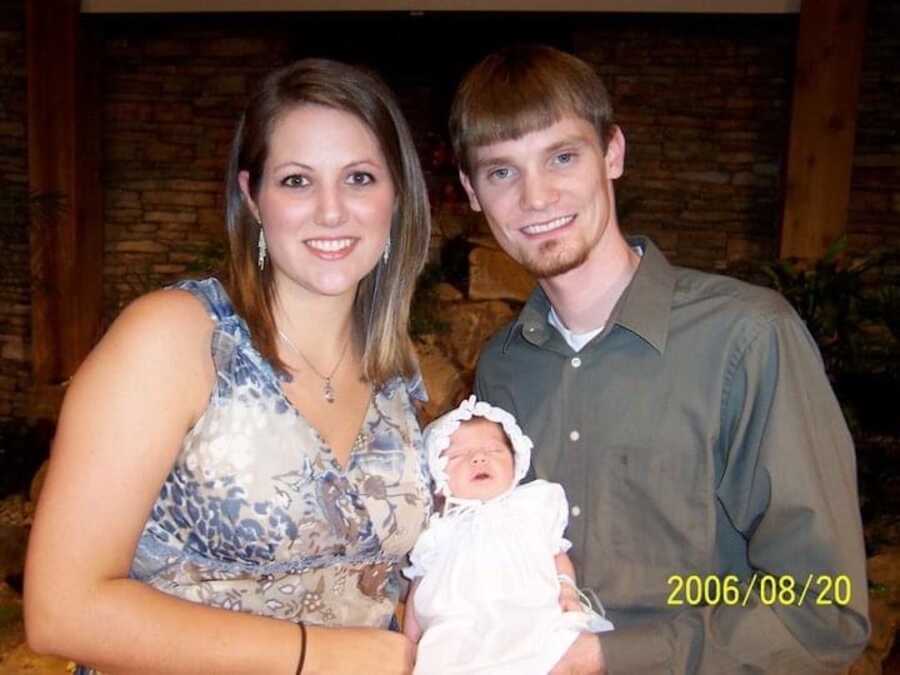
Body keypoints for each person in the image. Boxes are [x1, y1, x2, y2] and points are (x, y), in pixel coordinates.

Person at [450, 45, 870, 673]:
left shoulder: (748, 338)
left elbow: (824, 607)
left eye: (562, 157)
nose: (535, 198)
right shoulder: (501, 369)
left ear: (612, 153)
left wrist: (606, 657)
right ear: (471, 192)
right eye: (501, 172)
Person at [25, 58, 432, 675]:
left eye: (359, 178)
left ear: (396, 194)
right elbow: (61, 611)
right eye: (297, 181)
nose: (331, 210)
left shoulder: (399, 372)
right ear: (252, 196)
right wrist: (319, 656)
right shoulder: (175, 338)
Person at [403, 395, 613, 675]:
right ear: (438, 480)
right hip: (461, 634)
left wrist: (566, 589)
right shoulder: (439, 531)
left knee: (563, 651)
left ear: (517, 461)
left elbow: (557, 554)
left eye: (494, 450)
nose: (478, 458)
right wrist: (409, 642)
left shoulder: (533, 506)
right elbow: (420, 589)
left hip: (534, 618)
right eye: (456, 456)